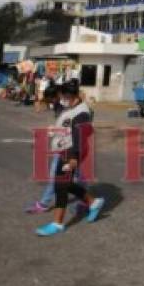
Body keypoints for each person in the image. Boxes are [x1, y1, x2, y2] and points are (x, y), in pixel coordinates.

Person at [35, 83, 104, 236]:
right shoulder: (70, 108)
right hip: (64, 149)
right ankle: (93, 202)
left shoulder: (82, 113)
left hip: (72, 151)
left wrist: (74, 158)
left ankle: (57, 223)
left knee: (60, 185)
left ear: (72, 96)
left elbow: (80, 136)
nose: (61, 100)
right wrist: (56, 131)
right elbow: (67, 127)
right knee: (65, 183)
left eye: (64, 97)